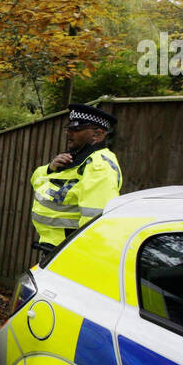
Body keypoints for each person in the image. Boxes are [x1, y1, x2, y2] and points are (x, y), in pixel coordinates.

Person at [29, 104, 122, 266]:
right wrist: (50, 168)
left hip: (70, 254)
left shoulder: (99, 165)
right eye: (69, 128)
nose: (69, 133)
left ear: (97, 134)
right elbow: (36, 181)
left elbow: (94, 220)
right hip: (54, 249)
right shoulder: (76, 157)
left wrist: (79, 257)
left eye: (77, 129)